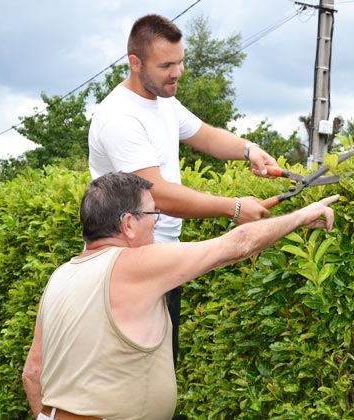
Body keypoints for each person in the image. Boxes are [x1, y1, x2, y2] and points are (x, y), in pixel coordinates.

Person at [22, 172, 338, 420]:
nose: (158, 222)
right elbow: (236, 245)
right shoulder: (130, 264)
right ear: (128, 224)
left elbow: (33, 372)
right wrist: (301, 215)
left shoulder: (61, 276)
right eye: (153, 213)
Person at [88, 13, 280, 367]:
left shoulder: (164, 101)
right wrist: (234, 207)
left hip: (159, 260)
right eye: (166, 65)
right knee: (133, 378)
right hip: (128, 266)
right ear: (135, 63)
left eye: (180, 61)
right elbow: (156, 194)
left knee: (160, 374)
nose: (177, 72)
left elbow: (205, 134)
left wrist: (249, 150)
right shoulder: (119, 117)